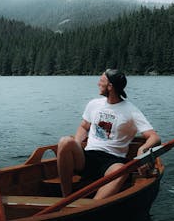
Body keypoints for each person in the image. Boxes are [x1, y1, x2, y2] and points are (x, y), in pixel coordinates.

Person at [57, 69, 161, 199]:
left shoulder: (131, 111)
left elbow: (154, 137)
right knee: (65, 141)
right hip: (89, 157)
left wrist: (142, 150)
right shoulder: (94, 104)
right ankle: (66, 198)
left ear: (110, 86)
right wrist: (77, 146)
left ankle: (91, 208)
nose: (98, 84)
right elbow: (84, 126)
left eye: (101, 81)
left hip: (113, 161)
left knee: (121, 171)